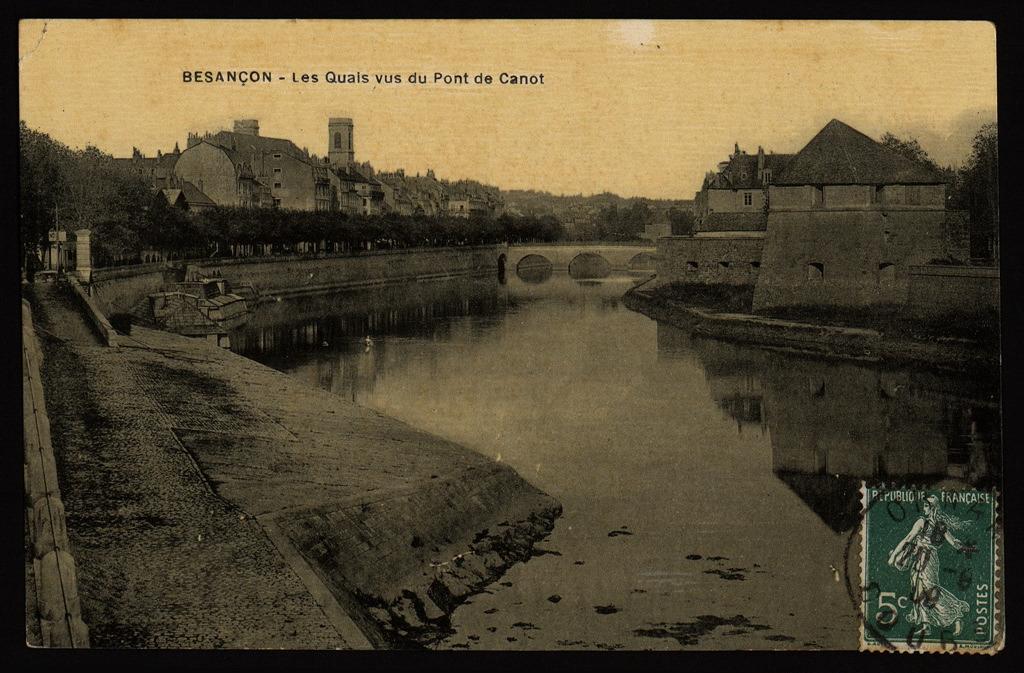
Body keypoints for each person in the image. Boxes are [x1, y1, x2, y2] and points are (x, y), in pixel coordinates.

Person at [887, 495, 974, 633]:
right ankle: (926, 625)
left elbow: (908, 539)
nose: (924, 508)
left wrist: (893, 556)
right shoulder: (938, 525)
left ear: (933, 508)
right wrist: (965, 548)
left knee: (930, 590)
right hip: (922, 558)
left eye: (927, 506)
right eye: (924, 506)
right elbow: (954, 544)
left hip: (927, 559)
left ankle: (956, 613)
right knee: (918, 590)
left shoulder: (924, 522)